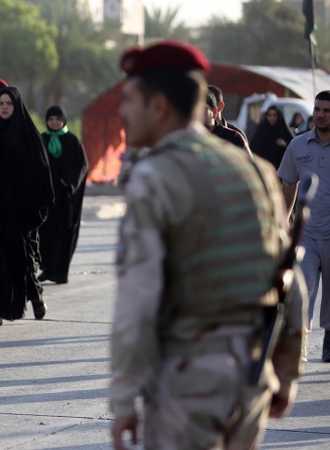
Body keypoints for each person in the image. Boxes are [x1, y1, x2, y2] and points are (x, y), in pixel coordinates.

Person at [110, 41, 305, 449]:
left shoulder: (155, 177)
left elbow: (137, 297)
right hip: (250, 378)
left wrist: (124, 399)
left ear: (158, 105)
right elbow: (291, 279)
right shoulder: (254, 171)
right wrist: (286, 374)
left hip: (189, 384)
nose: (122, 112)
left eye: (129, 100)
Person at [0, 87, 54, 327]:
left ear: (17, 106)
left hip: (20, 210)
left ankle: (36, 296)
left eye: (9, 103)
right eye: (1, 104)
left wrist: (36, 207)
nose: (4, 107)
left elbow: (41, 175)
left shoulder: (29, 136)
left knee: (21, 260)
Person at [279, 91, 330, 362]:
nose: (321, 114)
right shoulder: (298, 146)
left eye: (327, 110)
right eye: (318, 109)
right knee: (302, 292)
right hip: (306, 234)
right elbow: (289, 185)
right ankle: (298, 345)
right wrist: (285, 223)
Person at [38, 105, 87, 285]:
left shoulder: (73, 141)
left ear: (63, 120)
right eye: (51, 119)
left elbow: (82, 165)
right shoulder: (41, 140)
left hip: (66, 197)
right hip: (47, 196)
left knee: (64, 232)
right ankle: (47, 269)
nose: (54, 122)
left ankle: (60, 272)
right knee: (45, 232)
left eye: (57, 119)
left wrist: (68, 180)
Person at [204, 90, 253, 158]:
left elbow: (250, 165)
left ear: (214, 111)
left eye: (203, 109)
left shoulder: (233, 137)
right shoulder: (188, 138)